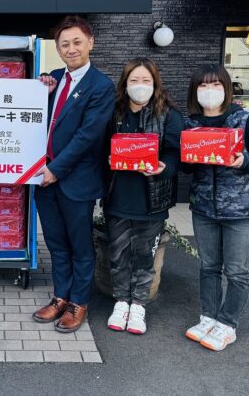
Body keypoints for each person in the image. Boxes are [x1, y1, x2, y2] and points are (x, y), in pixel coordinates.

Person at [32, 16, 115, 333]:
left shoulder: (101, 86)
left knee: (80, 246)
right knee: (55, 243)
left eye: (77, 42)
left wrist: (55, 169)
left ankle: (79, 303)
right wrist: (40, 87)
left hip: (74, 180)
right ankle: (60, 297)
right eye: (64, 44)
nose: (71, 48)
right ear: (57, 48)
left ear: (90, 43)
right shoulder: (52, 79)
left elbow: (87, 136)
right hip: (44, 180)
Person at [184, 64, 249, 351]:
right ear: (195, 91)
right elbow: (187, 168)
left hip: (241, 211)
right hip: (204, 209)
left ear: (226, 88)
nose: (210, 92)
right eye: (203, 86)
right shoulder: (191, 125)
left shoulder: (244, 120)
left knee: (236, 270)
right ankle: (208, 316)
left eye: (216, 85)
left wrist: (243, 161)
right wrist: (188, 159)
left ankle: (227, 323)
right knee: (208, 266)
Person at [103, 58, 183, 335]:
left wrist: (164, 168)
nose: (140, 86)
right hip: (118, 198)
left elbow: (177, 154)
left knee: (145, 257)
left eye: (146, 81)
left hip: (152, 200)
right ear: (125, 85)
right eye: (134, 81)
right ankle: (121, 302)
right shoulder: (113, 113)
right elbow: (99, 147)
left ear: (155, 84)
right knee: (118, 255)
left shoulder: (169, 115)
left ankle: (138, 305)